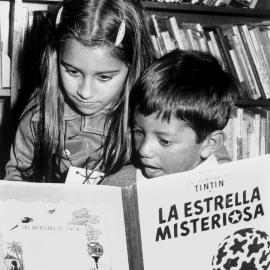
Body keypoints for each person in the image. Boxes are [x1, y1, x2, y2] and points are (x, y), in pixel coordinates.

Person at [4, 0, 156, 182]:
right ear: (55, 57)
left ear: (133, 67)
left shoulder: (149, 117)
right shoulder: (38, 115)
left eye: (104, 77)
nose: (85, 92)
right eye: (72, 71)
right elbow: (17, 178)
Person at [103, 49, 240, 185]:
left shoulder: (234, 185)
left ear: (210, 143)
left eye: (165, 141)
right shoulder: (118, 184)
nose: (144, 150)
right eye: (139, 132)